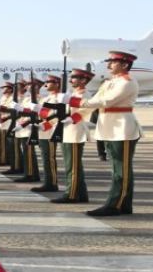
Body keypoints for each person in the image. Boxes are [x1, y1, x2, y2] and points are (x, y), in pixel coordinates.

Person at [60, 51, 144, 216]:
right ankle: (124, 205)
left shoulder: (127, 82)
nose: (109, 65)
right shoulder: (108, 83)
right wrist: (74, 116)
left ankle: (114, 205)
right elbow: (94, 104)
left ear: (125, 64)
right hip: (110, 128)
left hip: (122, 128)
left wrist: (73, 101)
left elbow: (105, 101)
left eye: (113, 62)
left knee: (121, 169)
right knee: (118, 168)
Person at [51, 69, 95, 204]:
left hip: (75, 130)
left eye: (74, 77)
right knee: (72, 164)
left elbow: (87, 109)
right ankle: (81, 194)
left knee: (73, 165)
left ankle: (71, 194)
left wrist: (72, 118)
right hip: (67, 130)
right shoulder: (73, 93)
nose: (71, 80)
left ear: (83, 80)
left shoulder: (84, 94)